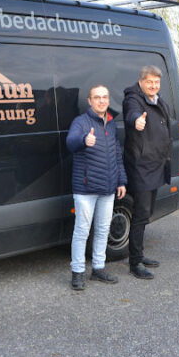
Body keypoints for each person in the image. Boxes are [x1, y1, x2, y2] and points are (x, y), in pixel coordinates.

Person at [66, 85, 127, 291]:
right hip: (85, 189)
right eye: (97, 97)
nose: (101, 101)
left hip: (108, 188)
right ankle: (77, 272)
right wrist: (84, 139)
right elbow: (70, 143)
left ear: (108, 100)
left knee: (102, 230)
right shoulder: (81, 123)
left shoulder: (111, 124)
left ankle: (98, 269)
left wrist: (121, 180)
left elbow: (117, 154)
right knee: (82, 231)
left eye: (104, 97)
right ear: (89, 101)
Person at [122, 65, 172, 279]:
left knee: (147, 214)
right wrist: (137, 121)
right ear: (141, 82)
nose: (154, 86)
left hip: (156, 165)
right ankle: (135, 263)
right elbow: (132, 114)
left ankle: (139, 255)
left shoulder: (157, 100)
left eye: (156, 82)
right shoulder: (133, 99)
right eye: (150, 82)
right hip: (141, 167)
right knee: (141, 215)